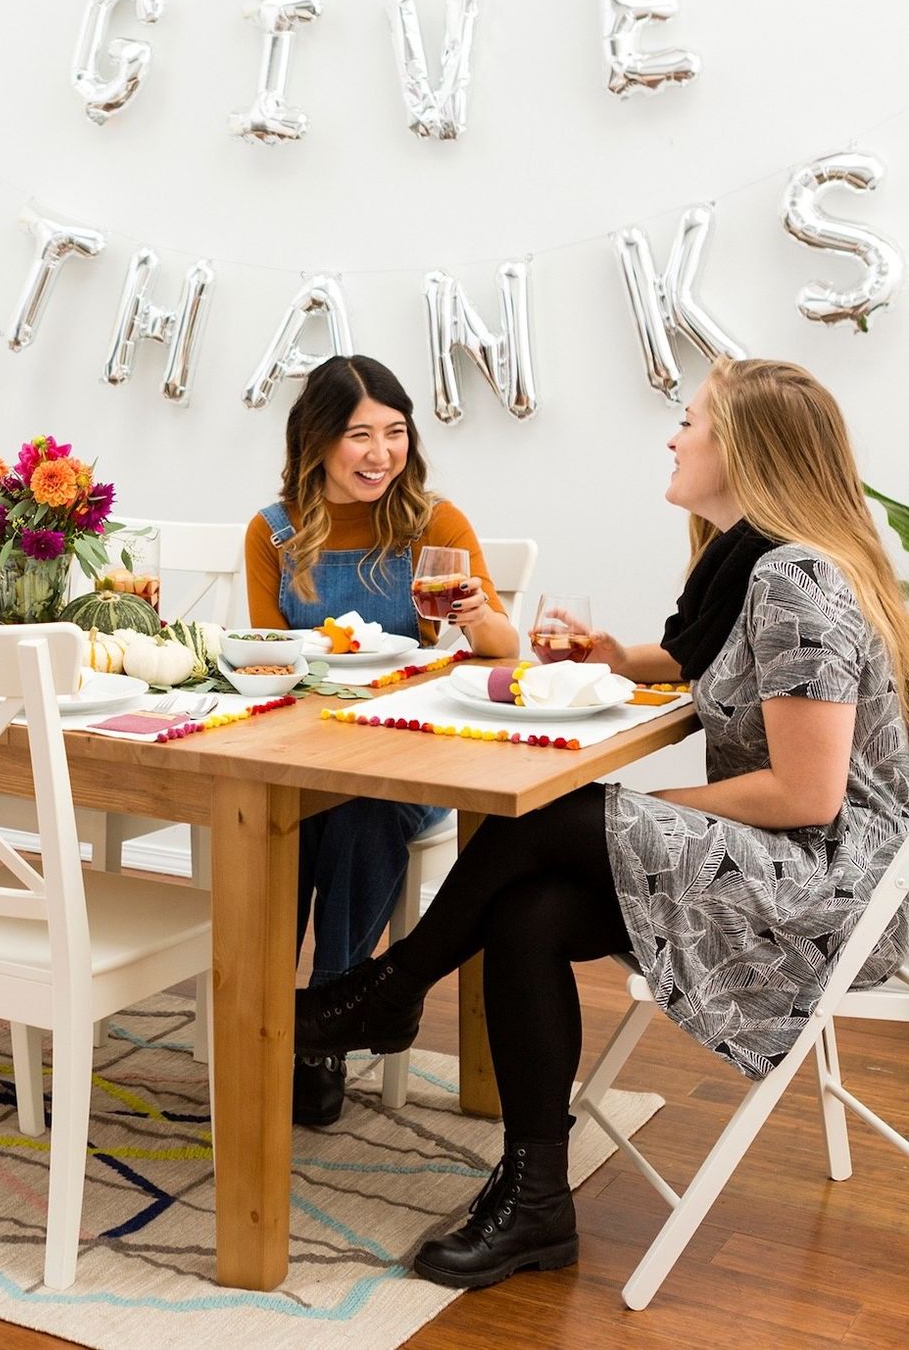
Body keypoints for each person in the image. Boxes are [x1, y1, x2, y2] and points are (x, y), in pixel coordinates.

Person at [294, 356, 909, 1288]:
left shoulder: (798, 580)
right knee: (527, 908)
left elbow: (808, 799)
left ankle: (392, 984)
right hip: (786, 861)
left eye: (692, 421)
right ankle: (536, 1199)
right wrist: (621, 656)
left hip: (832, 888)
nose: (673, 435)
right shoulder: (748, 562)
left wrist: (630, 817)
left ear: (740, 447)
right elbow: (714, 663)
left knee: (553, 813)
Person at [245, 353, 518, 1127]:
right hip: (309, 747)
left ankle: (325, 1018)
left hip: (411, 757)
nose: (381, 454)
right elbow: (269, 657)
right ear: (317, 441)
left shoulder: (435, 523)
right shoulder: (274, 532)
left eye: (395, 433)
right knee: (281, 812)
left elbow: (505, 648)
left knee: (362, 811)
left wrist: (473, 614)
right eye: (359, 434)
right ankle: (268, 1011)